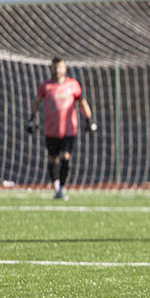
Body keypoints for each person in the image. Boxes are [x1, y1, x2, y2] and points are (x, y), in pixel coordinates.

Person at [27, 58, 97, 200]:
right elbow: (36, 102)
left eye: (60, 67)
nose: (57, 70)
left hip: (69, 129)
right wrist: (31, 119)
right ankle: (56, 186)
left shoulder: (73, 85)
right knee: (53, 159)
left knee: (66, 156)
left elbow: (82, 102)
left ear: (65, 69)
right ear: (51, 68)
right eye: (55, 67)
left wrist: (88, 120)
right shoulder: (46, 86)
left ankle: (62, 188)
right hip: (51, 130)